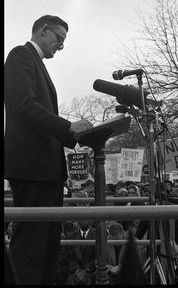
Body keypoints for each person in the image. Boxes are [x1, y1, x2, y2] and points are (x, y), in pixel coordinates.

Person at [4, 15, 93, 285]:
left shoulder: (37, 63)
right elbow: (25, 106)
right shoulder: (20, 55)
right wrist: (69, 128)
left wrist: (75, 135)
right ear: (44, 30)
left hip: (48, 171)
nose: (60, 46)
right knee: (32, 248)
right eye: (59, 39)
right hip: (34, 170)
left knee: (48, 248)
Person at [56, 220, 96, 285]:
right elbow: (66, 256)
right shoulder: (70, 236)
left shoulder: (97, 235)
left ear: (91, 220)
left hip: (92, 271)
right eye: (82, 218)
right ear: (77, 221)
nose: (84, 219)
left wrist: (87, 269)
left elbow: (99, 256)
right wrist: (76, 268)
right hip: (73, 272)